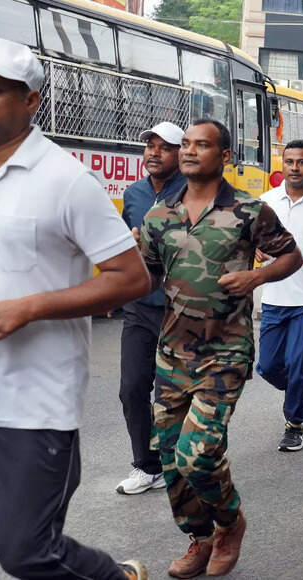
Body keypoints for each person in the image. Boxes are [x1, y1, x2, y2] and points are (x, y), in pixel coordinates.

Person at [0, 38, 150, 580]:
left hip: (32, 405)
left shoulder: (68, 181)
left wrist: (31, 307)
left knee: (26, 554)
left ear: (32, 101)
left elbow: (131, 278)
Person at [141, 119, 302, 577]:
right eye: (186, 145)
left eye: (202, 145)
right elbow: (146, 277)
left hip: (225, 351)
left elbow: (290, 255)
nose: (190, 151)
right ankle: (201, 537)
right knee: (171, 458)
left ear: (224, 156)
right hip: (171, 354)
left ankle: (230, 524)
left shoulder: (249, 211)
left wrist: (256, 276)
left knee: (199, 452)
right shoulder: (158, 217)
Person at [114, 121, 187, 495]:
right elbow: (128, 245)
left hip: (180, 310)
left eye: (164, 147)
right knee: (131, 389)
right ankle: (147, 466)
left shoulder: (193, 194)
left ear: (181, 153)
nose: (154, 153)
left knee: (170, 394)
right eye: (150, 146)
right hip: (140, 307)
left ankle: (179, 462)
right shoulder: (134, 194)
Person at [256, 139, 303, 452]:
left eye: (302, 162)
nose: (296, 168)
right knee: (267, 366)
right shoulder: (266, 201)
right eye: (290, 162)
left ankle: (294, 423)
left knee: (297, 362)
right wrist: (255, 247)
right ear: (282, 166)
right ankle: (298, 390)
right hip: (275, 295)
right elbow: (250, 238)